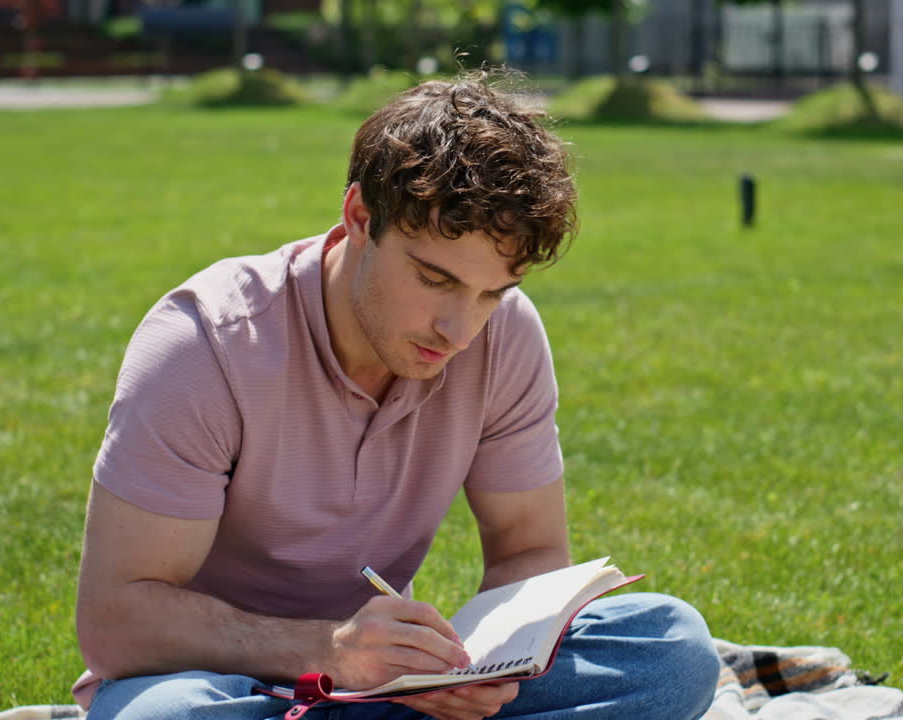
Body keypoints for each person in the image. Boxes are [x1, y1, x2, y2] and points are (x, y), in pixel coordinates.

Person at [73, 74, 720, 720]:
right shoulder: (205, 344)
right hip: (226, 687)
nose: (459, 330)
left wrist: (487, 666)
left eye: (492, 293)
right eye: (435, 279)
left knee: (670, 648)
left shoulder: (504, 336)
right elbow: (114, 621)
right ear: (360, 218)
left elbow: (528, 550)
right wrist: (326, 649)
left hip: (394, 687)